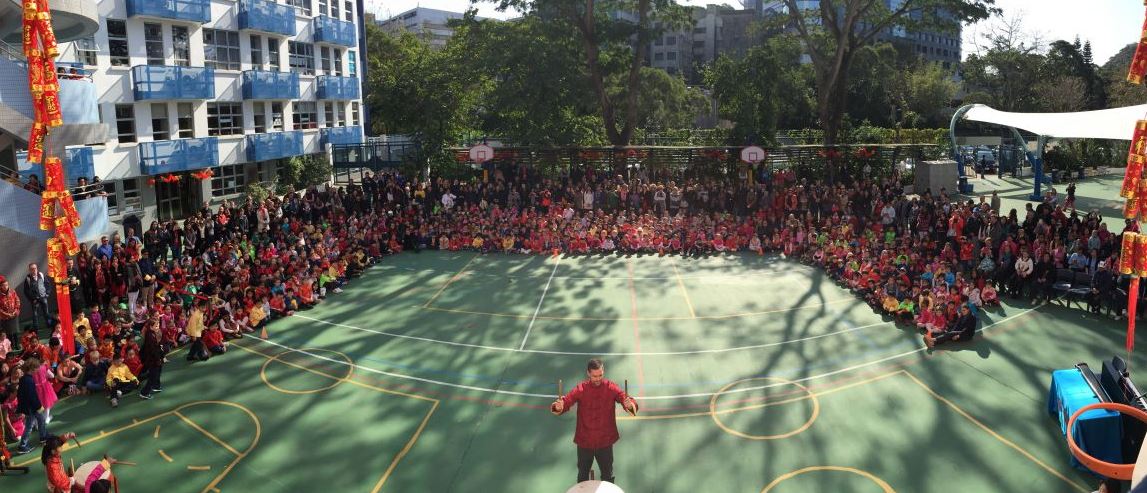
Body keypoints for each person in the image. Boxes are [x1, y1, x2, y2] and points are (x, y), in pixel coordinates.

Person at [550, 359, 639, 485]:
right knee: (582, 476)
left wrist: (629, 404)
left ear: (603, 371)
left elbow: (626, 399)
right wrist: (560, 406)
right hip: (585, 442)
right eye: (594, 376)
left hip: (605, 441)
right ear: (588, 373)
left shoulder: (611, 387)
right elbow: (566, 401)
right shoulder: (580, 389)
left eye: (600, 375)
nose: (598, 378)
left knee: (608, 476)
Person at [23, 263, 52, 331]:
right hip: (35, 300)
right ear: (29, 270)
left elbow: (48, 285)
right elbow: (26, 291)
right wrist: (32, 299)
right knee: (35, 315)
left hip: (43, 297)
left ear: (37, 268)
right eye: (32, 269)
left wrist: (47, 294)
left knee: (47, 313)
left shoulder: (41, 275)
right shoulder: (28, 279)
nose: (34, 270)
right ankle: (36, 329)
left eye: (35, 268)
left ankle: (50, 324)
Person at [0, 275, 20, 349]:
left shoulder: (12, 291)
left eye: (6, 285)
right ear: (1, 287)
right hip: (5, 317)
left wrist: (15, 311)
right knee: (8, 332)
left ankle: (17, 344)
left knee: (15, 331)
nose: (5, 287)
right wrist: (7, 314)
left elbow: (17, 300)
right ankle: (11, 345)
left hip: (14, 315)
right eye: (3, 285)